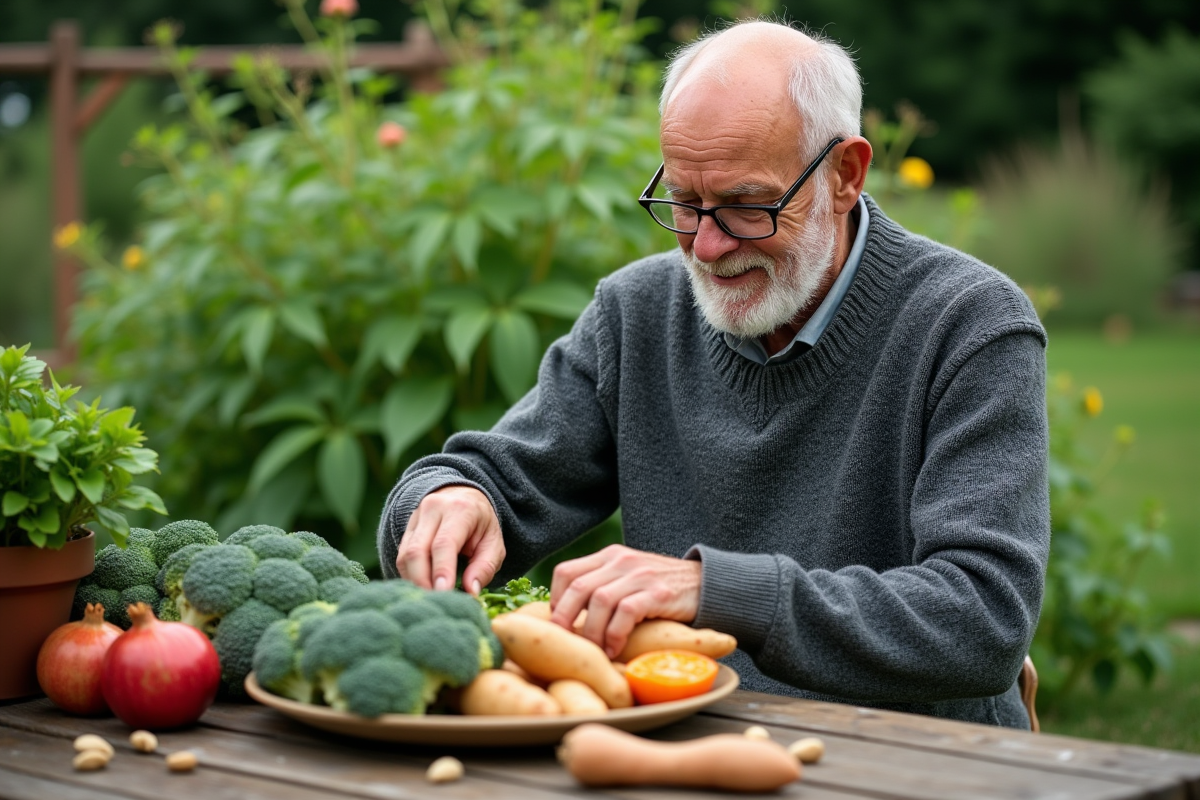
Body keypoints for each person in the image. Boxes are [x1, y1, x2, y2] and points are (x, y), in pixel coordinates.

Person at [377, 20, 1049, 728]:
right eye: (686, 203)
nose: (706, 245)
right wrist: (449, 498)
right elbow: (502, 480)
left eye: (745, 206)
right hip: (688, 740)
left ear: (845, 174)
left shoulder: (969, 323)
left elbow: (982, 620)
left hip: (916, 759)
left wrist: (715, 590)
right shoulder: (637, 312)